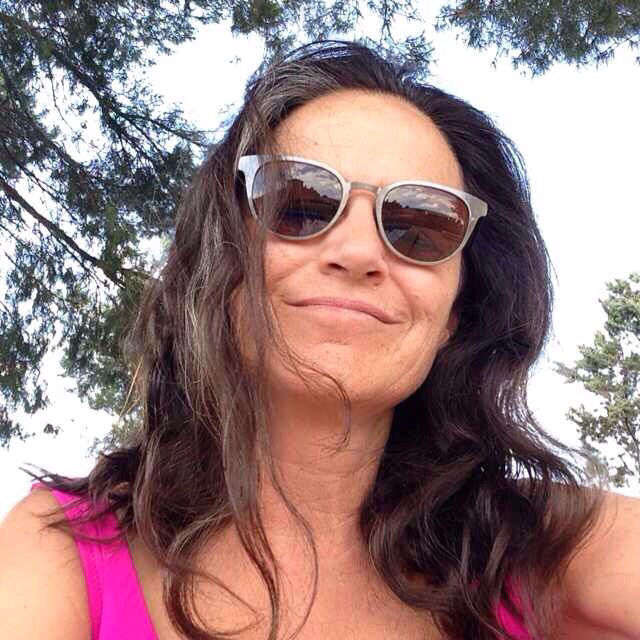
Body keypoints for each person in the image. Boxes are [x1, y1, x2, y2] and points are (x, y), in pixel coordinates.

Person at [1, 40, 638, 640]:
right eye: (299, 204)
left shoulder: (536, 548)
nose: (358, 252)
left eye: (419, 226)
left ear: (454, 313)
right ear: (220, 266)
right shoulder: (62, 549)